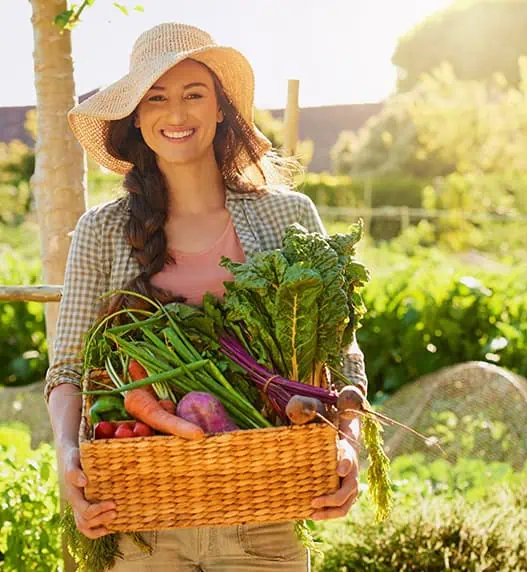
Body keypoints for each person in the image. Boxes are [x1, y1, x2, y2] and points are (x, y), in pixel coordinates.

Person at [44, 22, 368, 571]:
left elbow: (341, 356)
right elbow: (69, 368)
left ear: (221, 109)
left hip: (265, 518)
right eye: (156, 97)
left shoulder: (287, 215)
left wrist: (350, 442)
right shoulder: (103, 230)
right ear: (136, 118)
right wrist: (67, 458)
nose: (176, 113)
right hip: (140, 519)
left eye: (194, 94)